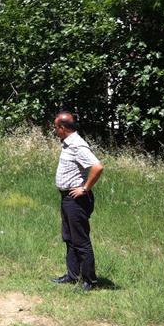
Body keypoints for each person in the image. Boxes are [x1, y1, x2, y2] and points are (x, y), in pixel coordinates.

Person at [51, 111, 103, 291]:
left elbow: (97, 166)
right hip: (67, 198)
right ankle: (72, 275)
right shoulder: (67, 144)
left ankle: (89, 280)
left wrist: (85, 188)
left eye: (56, 127)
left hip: (77, 200)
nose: (55, 130)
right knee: (69, 237)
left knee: (80, 240)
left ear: (62, 128)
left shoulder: (77, 145)